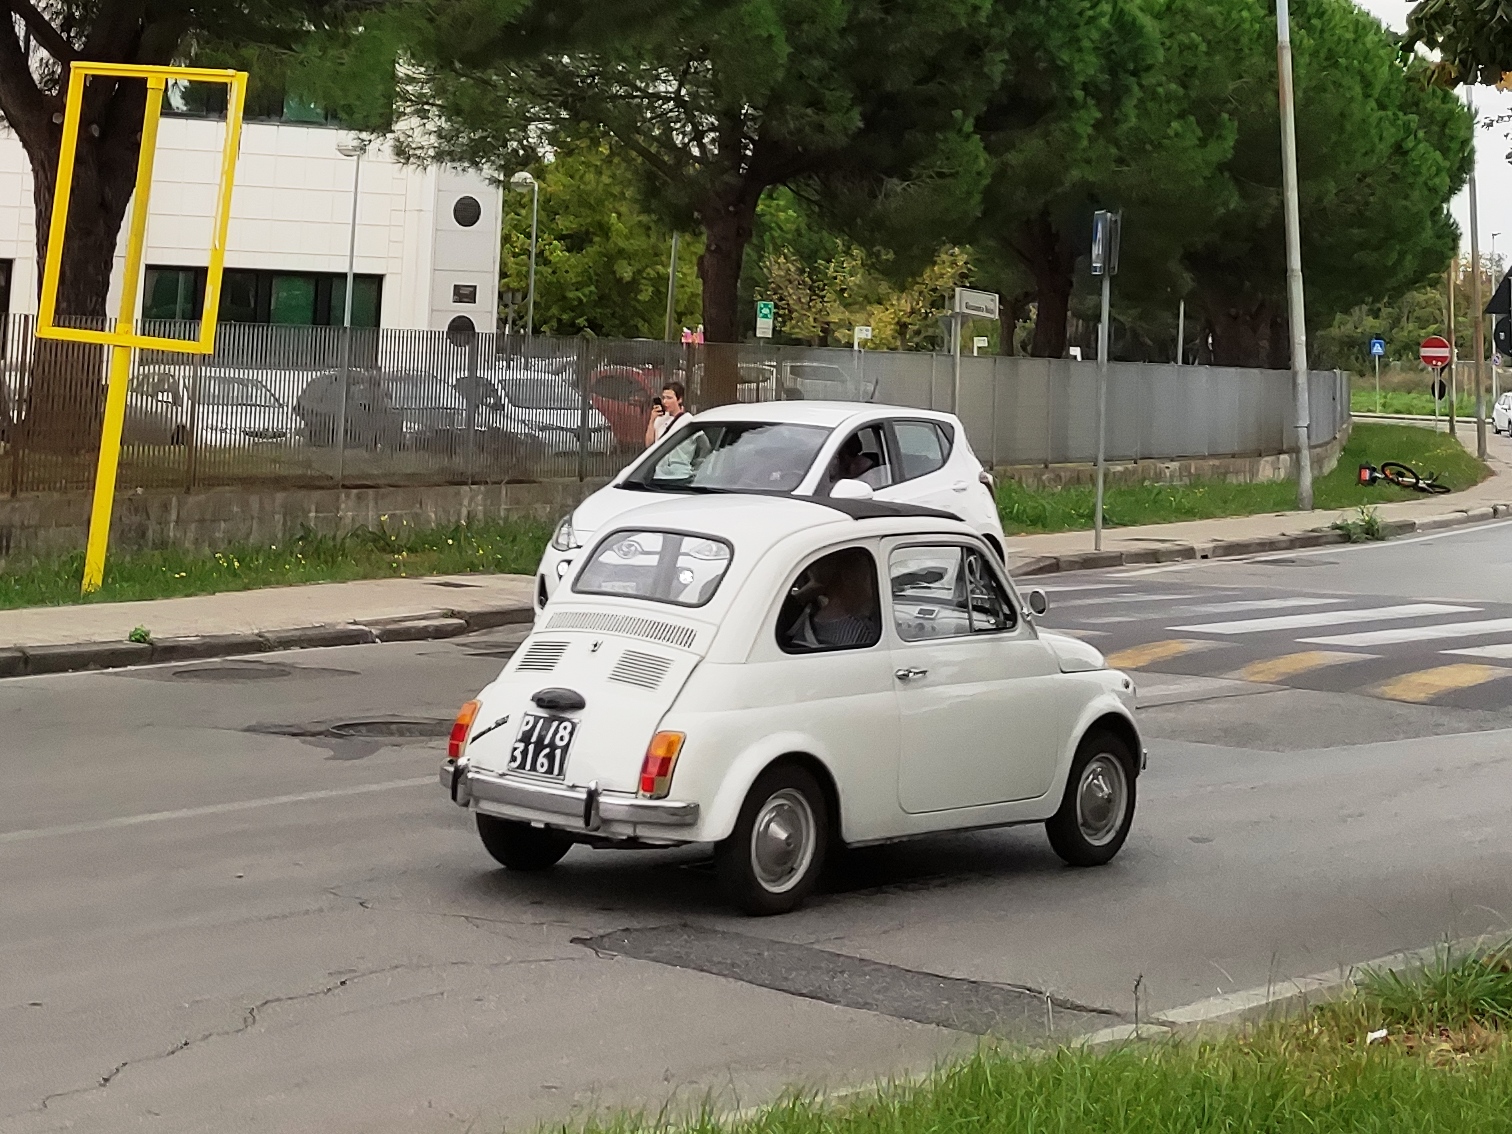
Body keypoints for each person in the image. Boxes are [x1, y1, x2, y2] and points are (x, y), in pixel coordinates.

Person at [784, 549, 881, 651]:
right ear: (850, 578)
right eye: (870, 575)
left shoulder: (809, 619)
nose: (876, 583)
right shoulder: (864, 632)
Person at [644, 381, 689, 449]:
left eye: (669, 398)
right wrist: (652, 420)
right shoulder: (660, 418)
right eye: (664, 398)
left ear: (679, 399)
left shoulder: (686, 420)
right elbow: (649, 444)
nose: (665, 401)